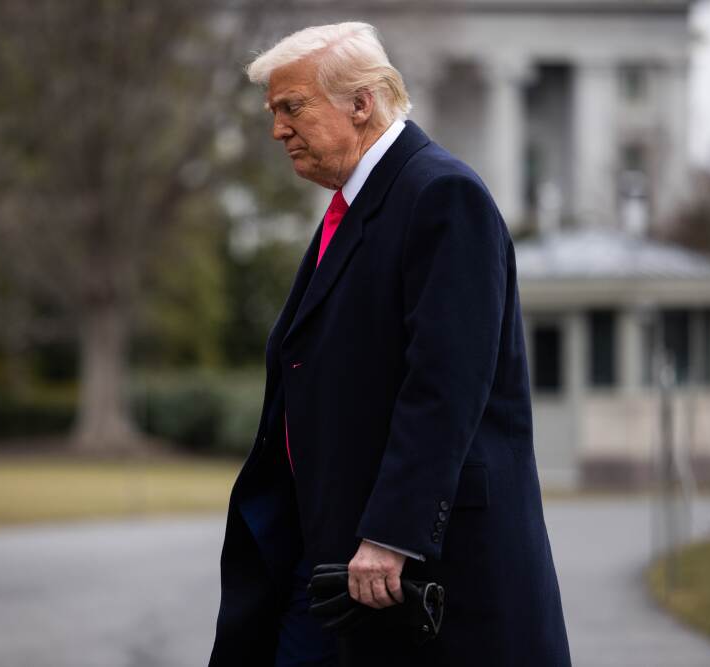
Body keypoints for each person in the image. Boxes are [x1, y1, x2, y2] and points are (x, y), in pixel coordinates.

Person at [209, 22, 571, 667]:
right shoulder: (358, 204)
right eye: (273, 112)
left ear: (361, 102)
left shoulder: (440, 195)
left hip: (409, 569)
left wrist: (391, 534)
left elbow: (445, 385)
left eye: (292, 107)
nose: (277, 130)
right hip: (328, 553)